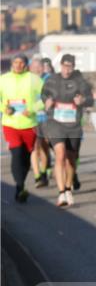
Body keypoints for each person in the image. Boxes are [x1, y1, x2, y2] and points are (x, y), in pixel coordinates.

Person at [42, 54, 92, 207]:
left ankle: (68, 187)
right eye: (65, 66)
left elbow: (90, 99)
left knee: (71, 159)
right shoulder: (52, 80)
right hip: (55, 123)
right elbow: (44, 95)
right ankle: (61, 192)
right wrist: (47, 102)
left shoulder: (80, 81)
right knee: (60, 154)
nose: (67, 69)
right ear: (61, 65)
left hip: (74, 125)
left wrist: (83, 101)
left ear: (74, 67)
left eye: (70, 67)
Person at [1, 54, 44, 203]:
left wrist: (32, 109)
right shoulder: (4, 79)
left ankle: (21, 184)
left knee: (25, 158)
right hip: (10, 123)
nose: (18, 65)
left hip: (29, 124)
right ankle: (19, 187)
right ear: (12, 64)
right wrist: (3, 108)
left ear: (26, 64)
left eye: (21, 62)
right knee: (17, 152)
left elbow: (47, 97)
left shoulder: (34, 79)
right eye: (16, 62)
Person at [29, 57, 52, 187]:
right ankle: (38, 176)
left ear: (43, 68)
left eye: (40, 66)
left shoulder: (49, 79)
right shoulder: (27, 81)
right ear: (31, 69)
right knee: (34, 148)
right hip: (32, 119)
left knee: (45, 146)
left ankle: (44, 170)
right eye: (35, 67)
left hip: (47, 118)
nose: (37, 69)